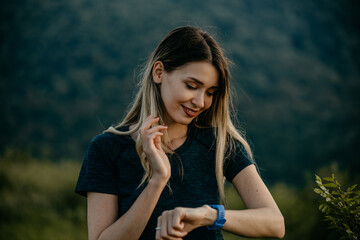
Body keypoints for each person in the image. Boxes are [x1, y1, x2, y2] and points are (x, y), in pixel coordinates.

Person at [75, 26, 285, 240]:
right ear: (159, 73)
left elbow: (275, 223)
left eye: (210, 93)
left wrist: (209, 215)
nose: (200, 102)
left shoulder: (220, 143)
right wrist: (158, 180)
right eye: (191, 85)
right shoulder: (107, 148)